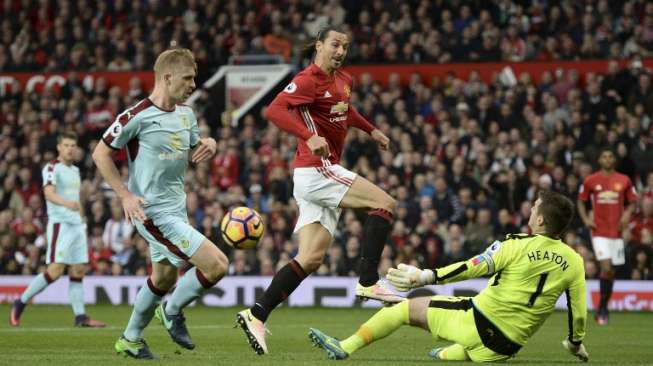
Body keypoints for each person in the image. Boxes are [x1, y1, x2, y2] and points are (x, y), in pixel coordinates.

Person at [236, 25, 401, 355]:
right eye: (336, 44)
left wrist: (372, 130)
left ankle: (256, 314)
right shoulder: (308, 79)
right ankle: (368, 281)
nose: (341, 51)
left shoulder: (344, 81)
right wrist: (308, 136)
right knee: (385, 203)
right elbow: (275, 109)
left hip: (316, 176)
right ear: (319, 45)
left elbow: (345, 110)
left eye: (346, 46)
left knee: (310, 258)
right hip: (315, 169)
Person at [309, 190, 589, 363]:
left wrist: (426, 276)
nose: (531, 209)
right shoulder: (575, 262)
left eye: (535, 207)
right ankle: (446, 354)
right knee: (459, 347)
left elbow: (471, 267)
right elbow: (578, 314)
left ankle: (344, 347)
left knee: (403, 309)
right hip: (506, 347)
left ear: (540, 220)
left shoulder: (515, 245)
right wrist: (575, 344)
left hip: (478, 323)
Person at [92, 48, 227, 359]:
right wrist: (124, 194)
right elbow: (100, 154)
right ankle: (172, 310)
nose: (193, 84)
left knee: (163, 277)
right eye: (188, 78)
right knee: (217, 265)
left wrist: (211, 144)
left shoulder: (186, 114)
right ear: (167, 77)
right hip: (150, 211)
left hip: (176, 209)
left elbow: (196, 148)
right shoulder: (135, 116)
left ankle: (130, 338)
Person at [10, 132, 106, 328]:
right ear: (59, 148)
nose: (71, 148)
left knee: (78, 269)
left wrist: (81, 217)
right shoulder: (52, 167)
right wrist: (68, 204)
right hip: (60, 225)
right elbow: (49, 194)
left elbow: (76, 198)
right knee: (55, 271)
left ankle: (80, 317)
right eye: (67, 145)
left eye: (73, 145)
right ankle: (20, 302)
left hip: (77, 225)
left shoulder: (76, 171)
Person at [577, 147, 637, 325]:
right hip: (599, 231)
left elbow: (633, 202)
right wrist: (586, 218)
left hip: (617, 232)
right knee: (606, 267)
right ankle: (603, 309)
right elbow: (581, 200)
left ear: (614, 160)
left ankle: (603, 305)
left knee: (611, 271)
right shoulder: (591, 180)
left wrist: (627, 215)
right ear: (600, 160)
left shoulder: (624, 180)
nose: (608, 159)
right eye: (604, 156)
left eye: (611, 156)